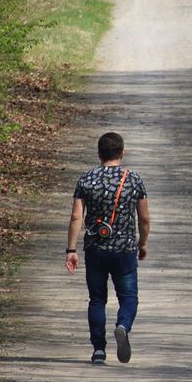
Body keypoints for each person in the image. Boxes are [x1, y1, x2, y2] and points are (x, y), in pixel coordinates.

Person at [65, 132, 151, 365]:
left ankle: (99, 351)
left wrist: (71, 250)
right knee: (129, 297)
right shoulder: (133, 180)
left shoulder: (86, 179)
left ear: (99, 154)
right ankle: (122, 325)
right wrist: (142, 244)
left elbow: (76, 217)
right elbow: (143, 218)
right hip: (124, 250)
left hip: (95, 249)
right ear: (122, 153)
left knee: (96, 300)